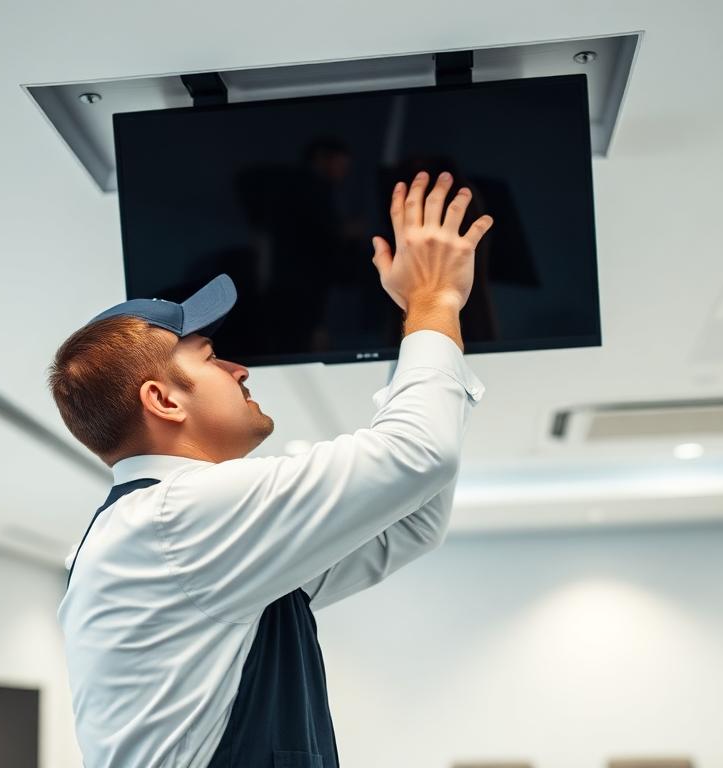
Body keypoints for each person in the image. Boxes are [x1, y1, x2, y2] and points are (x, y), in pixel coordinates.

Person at [48, 170, 494, 768]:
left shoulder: (189, 537)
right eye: (211, 359)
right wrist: (433, 302)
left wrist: (422, 325)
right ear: (164, 400)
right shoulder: (175, 518)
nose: (240, 370)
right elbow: (420, 455)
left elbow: (408, 522)